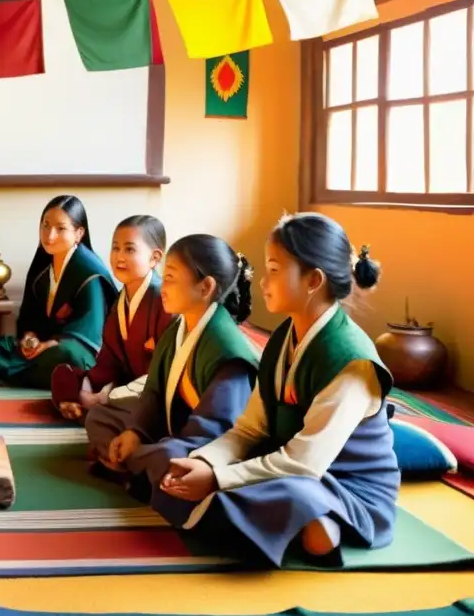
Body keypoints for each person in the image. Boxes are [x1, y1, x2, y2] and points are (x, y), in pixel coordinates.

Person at [158, 213, 398, 567]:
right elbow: (249, 429)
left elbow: (304, 463)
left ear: (313, 280)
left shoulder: (352, 361)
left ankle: (321, 524)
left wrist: (218, 479)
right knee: (177, 461)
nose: (263, 280)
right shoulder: (283, 338)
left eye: (274, 269)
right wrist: (204, 462)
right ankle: (296, 525)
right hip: (290, 463)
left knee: (283, 492)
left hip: (343, 486)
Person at [84, 234, 258, 516]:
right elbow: (153, 390)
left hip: (209, 445)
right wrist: (136, 431)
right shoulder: (178, 328)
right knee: (100, 416)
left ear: (206, 287)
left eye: (171, 279)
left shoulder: (227, 349)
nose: (161, 287)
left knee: (166, 457)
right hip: (171, 424)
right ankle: (138, 468)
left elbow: (218, 426)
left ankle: (135, 469)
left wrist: (161, 443)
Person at [0, 195, 118, 388]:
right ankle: (42, 375)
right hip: (43, 346)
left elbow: (90, 333)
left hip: (77, 352)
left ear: (79, 233)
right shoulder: (42, 271)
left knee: (67, 357)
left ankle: (33, 374)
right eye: (46, 225)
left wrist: (51, 344)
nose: (50, 236)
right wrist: (29, 338)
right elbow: (30, 318)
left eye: (61, 228)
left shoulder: (90, 274)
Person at [51, 215, 172, 421]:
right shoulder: (121, 301)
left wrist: (108, 395)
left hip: (151, 389)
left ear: (155, 257)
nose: (119, 257)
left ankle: (89, 406)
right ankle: (81, 403)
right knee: (63, 374)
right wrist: (91, 388)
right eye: (115, 248)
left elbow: (165, 373)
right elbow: (108, 359)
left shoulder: (165, 301)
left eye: (129, 249)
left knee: (126, 407)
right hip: (123, 383)